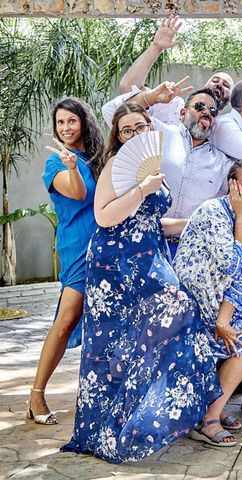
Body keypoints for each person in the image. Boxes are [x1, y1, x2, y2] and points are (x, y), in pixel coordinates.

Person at [61, 104, 221, 463]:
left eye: (141, 127)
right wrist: (142, 189)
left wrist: (198, 220)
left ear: (151, 130)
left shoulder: (156, 168)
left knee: (174, 318)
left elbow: (150, 222)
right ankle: (107, 425)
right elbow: (104, 217)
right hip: (114, 266)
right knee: (114, 342)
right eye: (126, 130)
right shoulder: (117, 166)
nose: (134, 134)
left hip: (148, 259)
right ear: (118, 136)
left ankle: (145, 415)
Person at [173, 160, 242, 447]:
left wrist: (225, 318)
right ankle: (208, 420)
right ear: (231, 186)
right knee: (236, 348)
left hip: (224, 296)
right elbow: (230, 264)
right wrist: (240, 218)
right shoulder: (213, 212)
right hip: (195, 299)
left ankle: (212, 407)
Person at [28, 98, 105, 426]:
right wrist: (71, 166)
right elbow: (76, 194)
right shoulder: (55, 163)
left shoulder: (99, 156)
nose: (65, 128)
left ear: (84, 121)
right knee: (67, 319)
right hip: (77, 247)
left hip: (106, 246)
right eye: (60, 123)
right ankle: (36, 395)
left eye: (71, 121)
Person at [103, 80, 233, 258]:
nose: (206, 112)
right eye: (200, 106)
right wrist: (150, 98)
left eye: (212, 111)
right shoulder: (158, 133)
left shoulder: (222, 163)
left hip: (190, 252)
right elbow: (112, 113)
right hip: (144, 243)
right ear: (182, 112)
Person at [118, 14, 235, 126]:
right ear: (204, 87)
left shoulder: (224, 130)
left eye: (226, 85)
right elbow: (128, 87)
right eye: (215, 80)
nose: (219, 84)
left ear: (230, 99)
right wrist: (156, 47)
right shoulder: (172, 105)